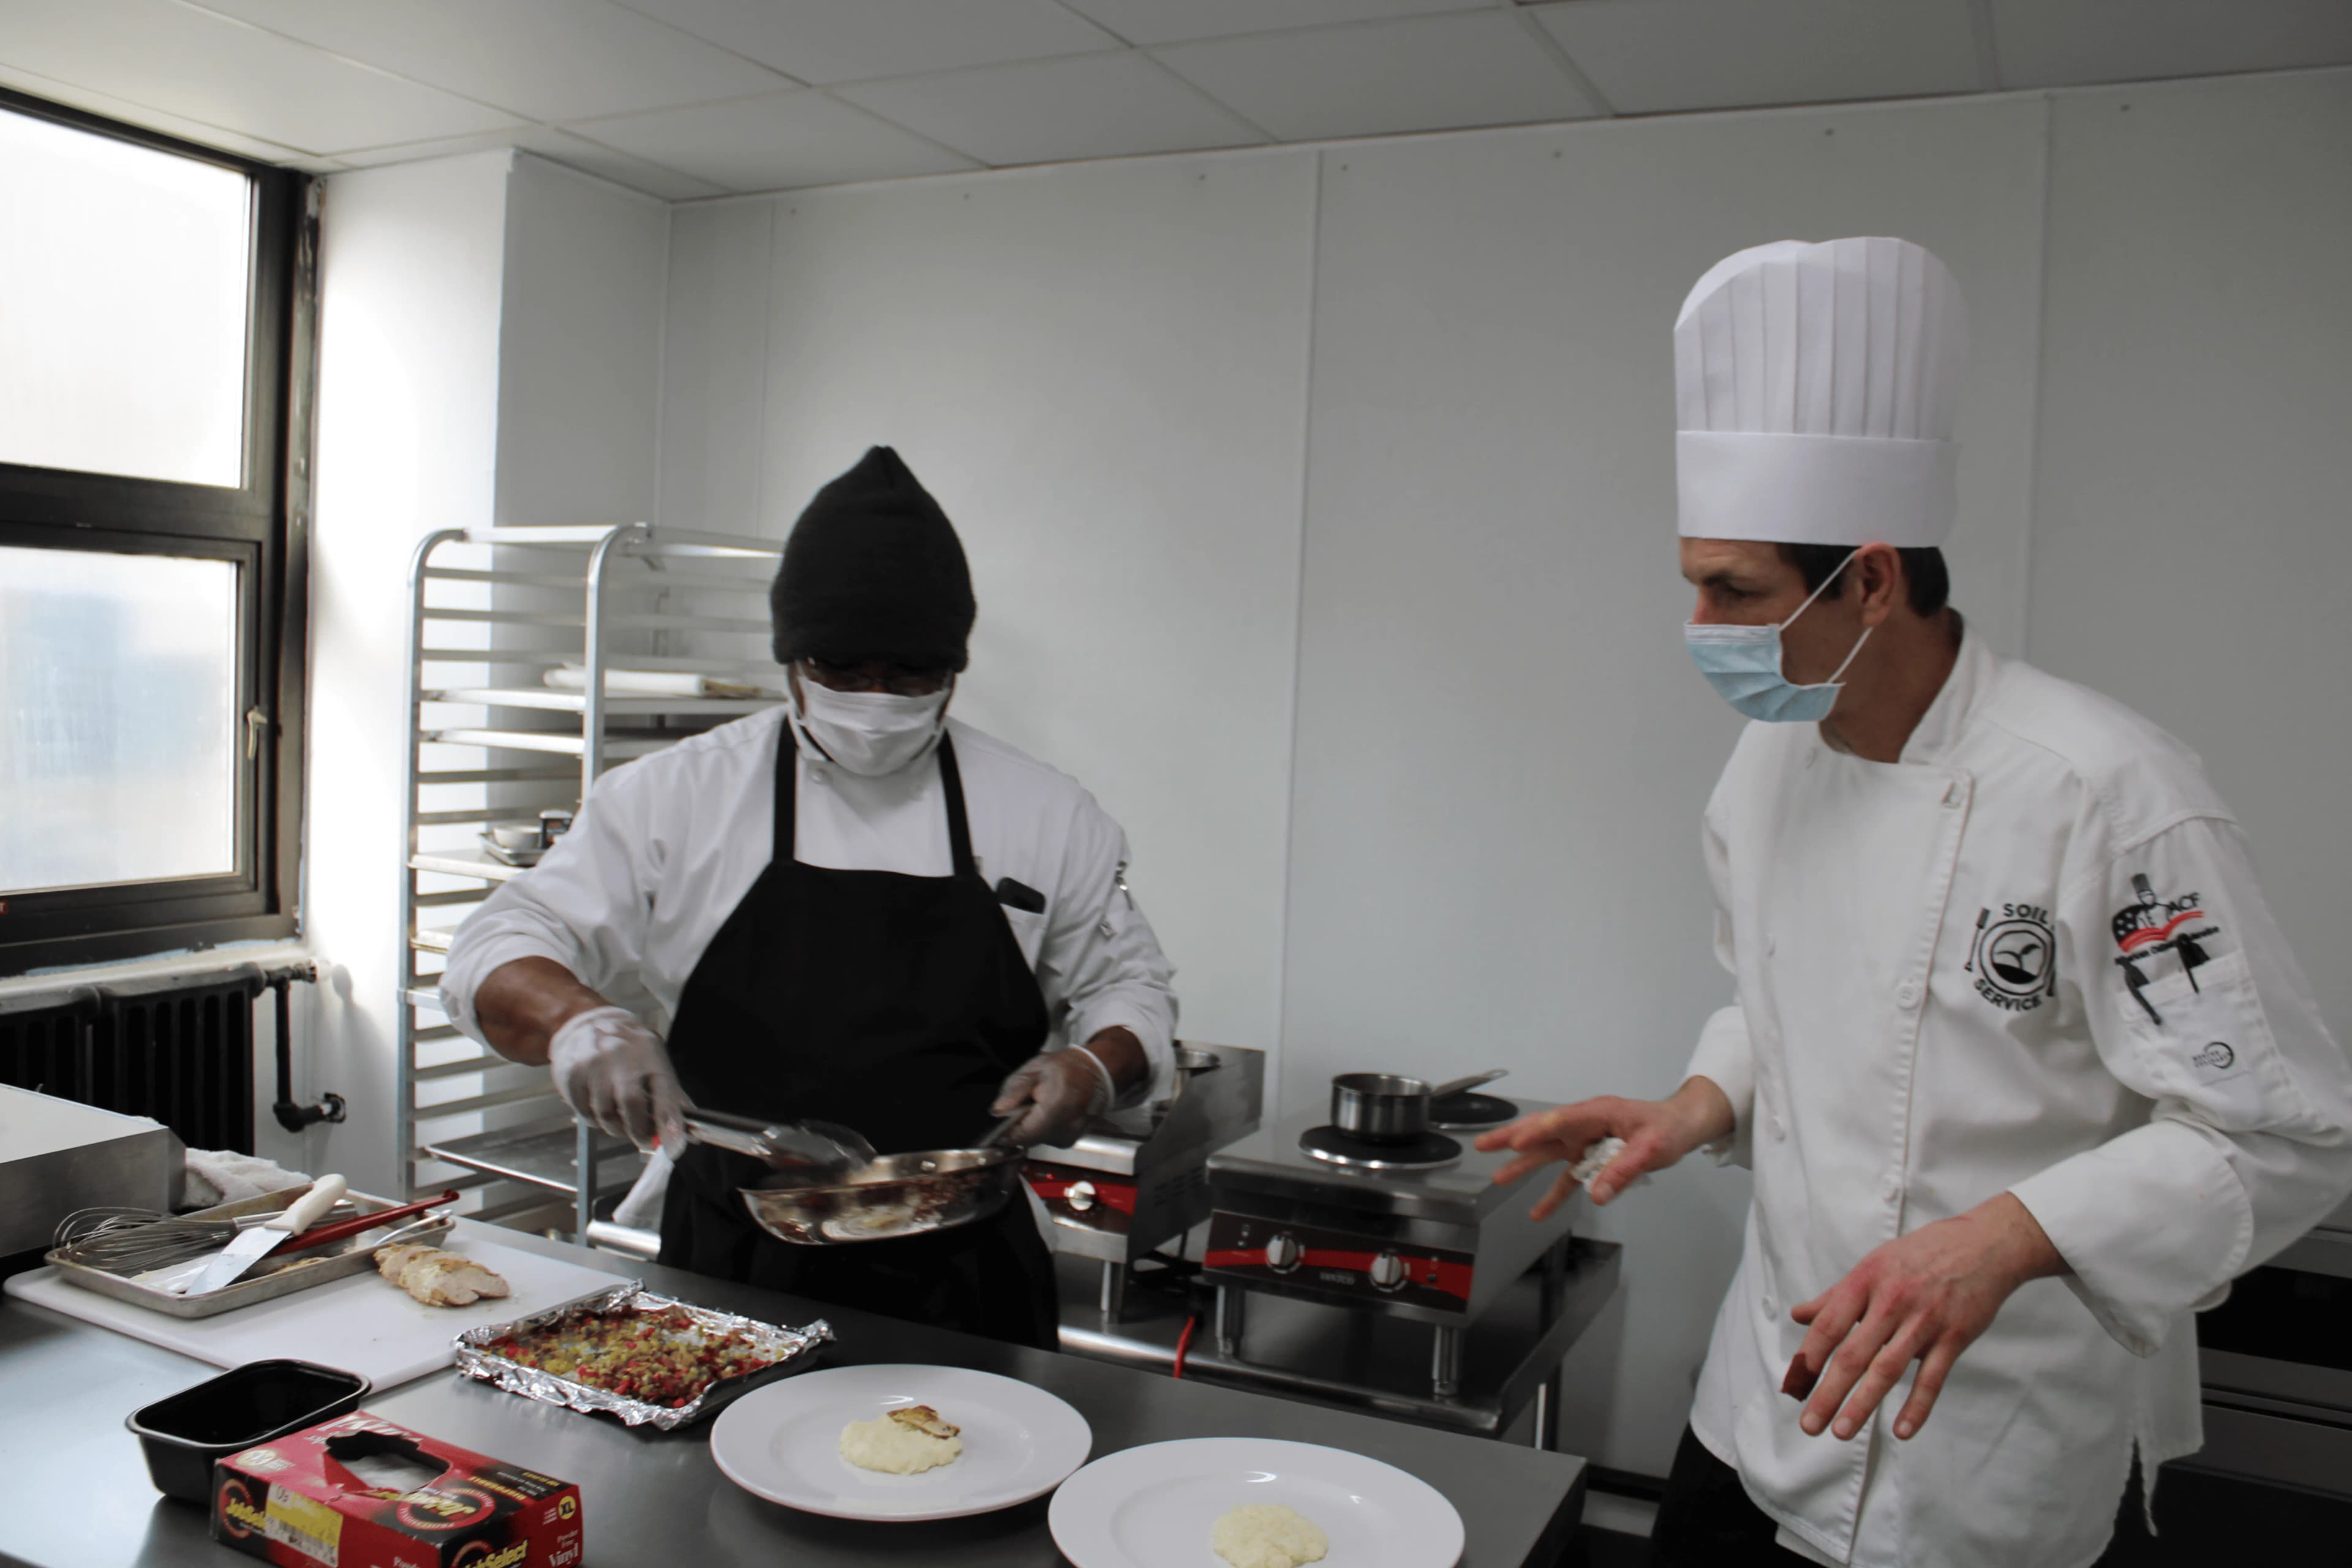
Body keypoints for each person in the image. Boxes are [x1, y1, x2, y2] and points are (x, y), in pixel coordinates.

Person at [1479, 238, 2352, 1567]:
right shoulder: (1770, 762)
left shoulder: (2108, 789)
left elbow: (2283, 1132)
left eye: (1738, 591)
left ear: (1872, 581)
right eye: (1695, 583)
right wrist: (1694, 1104)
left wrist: (2007, 1234)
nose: (1702, 623)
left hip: (1987, 1447)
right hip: (1763, 1395)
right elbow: (1775, 995)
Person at [440, 447, 1178, 1348]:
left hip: (965, 1271)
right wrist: (579, 1022)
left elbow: (1133, 990)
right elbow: (497, 940)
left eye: (911, 676)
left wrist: (1095, 1066)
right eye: (843, 670)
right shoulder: (680, 797)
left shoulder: (1045, 814)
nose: (876, 700)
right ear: (791, 659)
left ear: (954, 667)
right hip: (727, 1258)